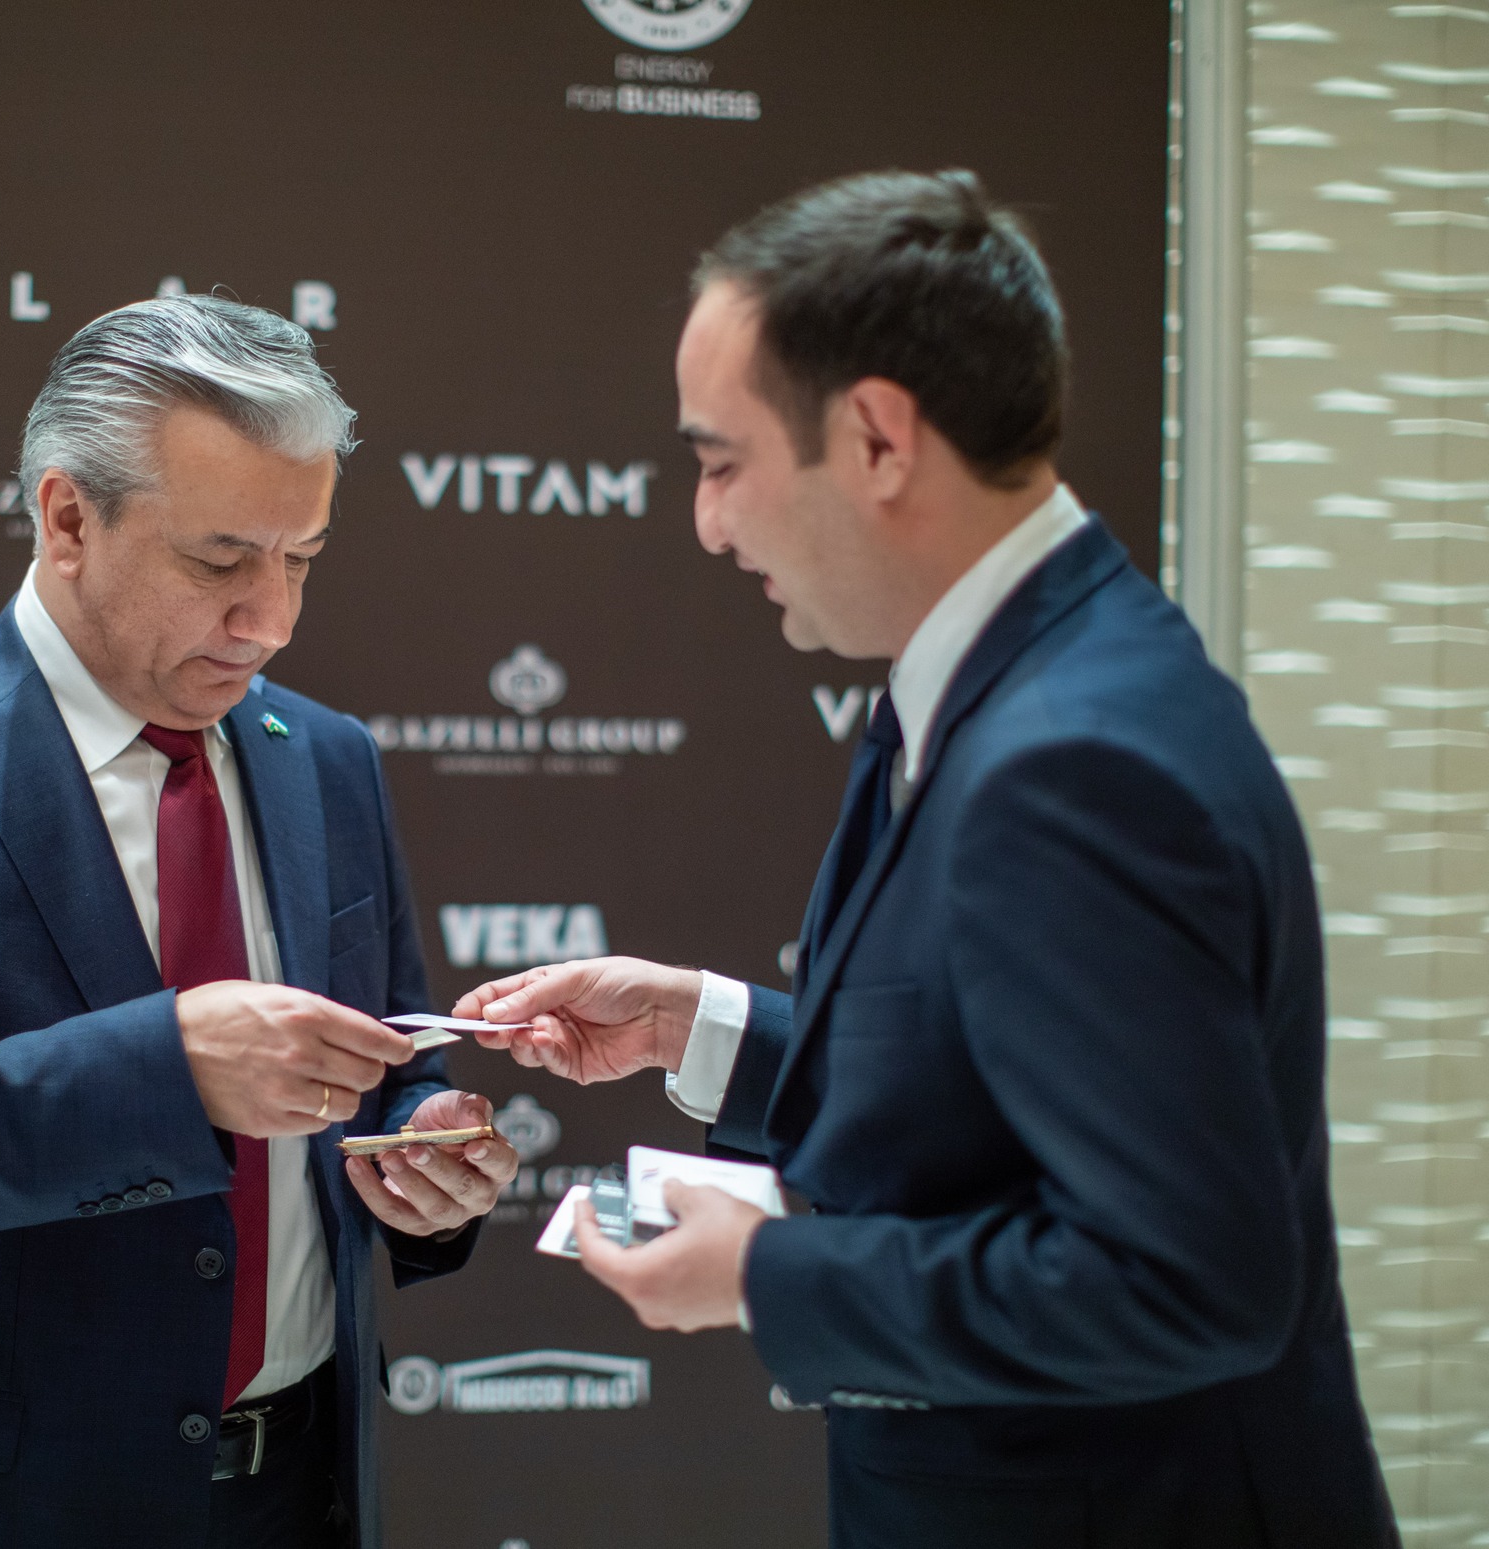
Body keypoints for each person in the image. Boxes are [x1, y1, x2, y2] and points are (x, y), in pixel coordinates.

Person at [456, 171, 1398, 1548]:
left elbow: (1187, 1281)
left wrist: (773, 1276)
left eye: (722, 463)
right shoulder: (991, 672)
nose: (707, 521)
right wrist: (699, 1028)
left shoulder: (1075, 759)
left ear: (878, 439)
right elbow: (989, 1099)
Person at [0, 295, 518, 1549]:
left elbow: (386, 1067)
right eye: (220, 560)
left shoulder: (325, 757)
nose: (271, 619)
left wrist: (421, 1153)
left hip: (297, 1492)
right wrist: (168, 1067)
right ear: (66, 520)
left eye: (301, 558)